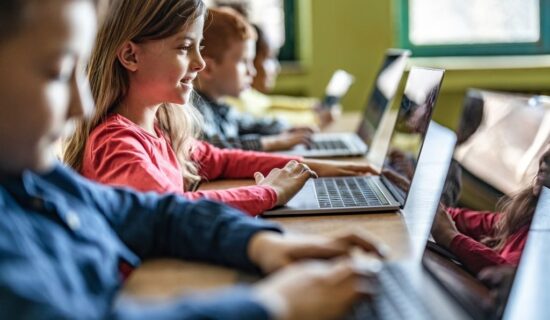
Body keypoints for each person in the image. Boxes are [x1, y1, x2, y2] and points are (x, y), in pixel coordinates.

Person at [0, 0, 384, 318]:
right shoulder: (112, 142)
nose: (80, 105)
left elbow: (158, 213)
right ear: (129, 55)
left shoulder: (35, 178)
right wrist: (271, 304)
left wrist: (261, 244)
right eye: (57, 72)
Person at [63, 0, 376, 216]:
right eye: (185, 48)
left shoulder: (159, 128)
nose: (199, 63)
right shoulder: (116, 143)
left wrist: (307, 167)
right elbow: (171, 211)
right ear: (131, 56)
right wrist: (267, 193)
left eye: (199, 47)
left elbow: (220, 160)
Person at [194, 7, 317, 152]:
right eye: (243, 62)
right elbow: (212, 148)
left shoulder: (221, 107)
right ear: (208, 69)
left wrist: (286, 128)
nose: (252, 71)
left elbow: (249, 124)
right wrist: (271, 143)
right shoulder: (194, 112)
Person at [431, 145, 550, 275]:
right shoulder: (527, 213)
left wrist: (450, 237)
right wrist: (428, 203)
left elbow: (513, 277)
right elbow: (468, 220)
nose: (546, 156)